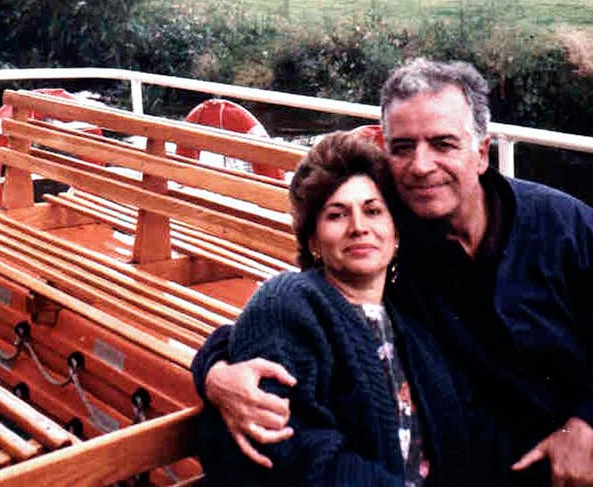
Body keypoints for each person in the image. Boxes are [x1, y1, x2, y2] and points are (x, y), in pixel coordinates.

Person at [192, 58, 593, 486]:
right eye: (403, 147)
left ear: (482, 153)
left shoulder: (564, 227)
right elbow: (291, 315)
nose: (421, 166)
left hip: (591, 439)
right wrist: (215, 371)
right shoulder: (391, 237)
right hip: (494, 462)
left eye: (443, 143)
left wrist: (592, 426)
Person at [198, 131, 472, 485]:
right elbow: (293, 449)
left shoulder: (408, 311)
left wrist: (211, 367)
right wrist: (213, 370)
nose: (359, 228)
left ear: (396, 232)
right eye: (337, 215)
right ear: (312, 240)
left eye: (373, 211)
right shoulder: (291, 302)